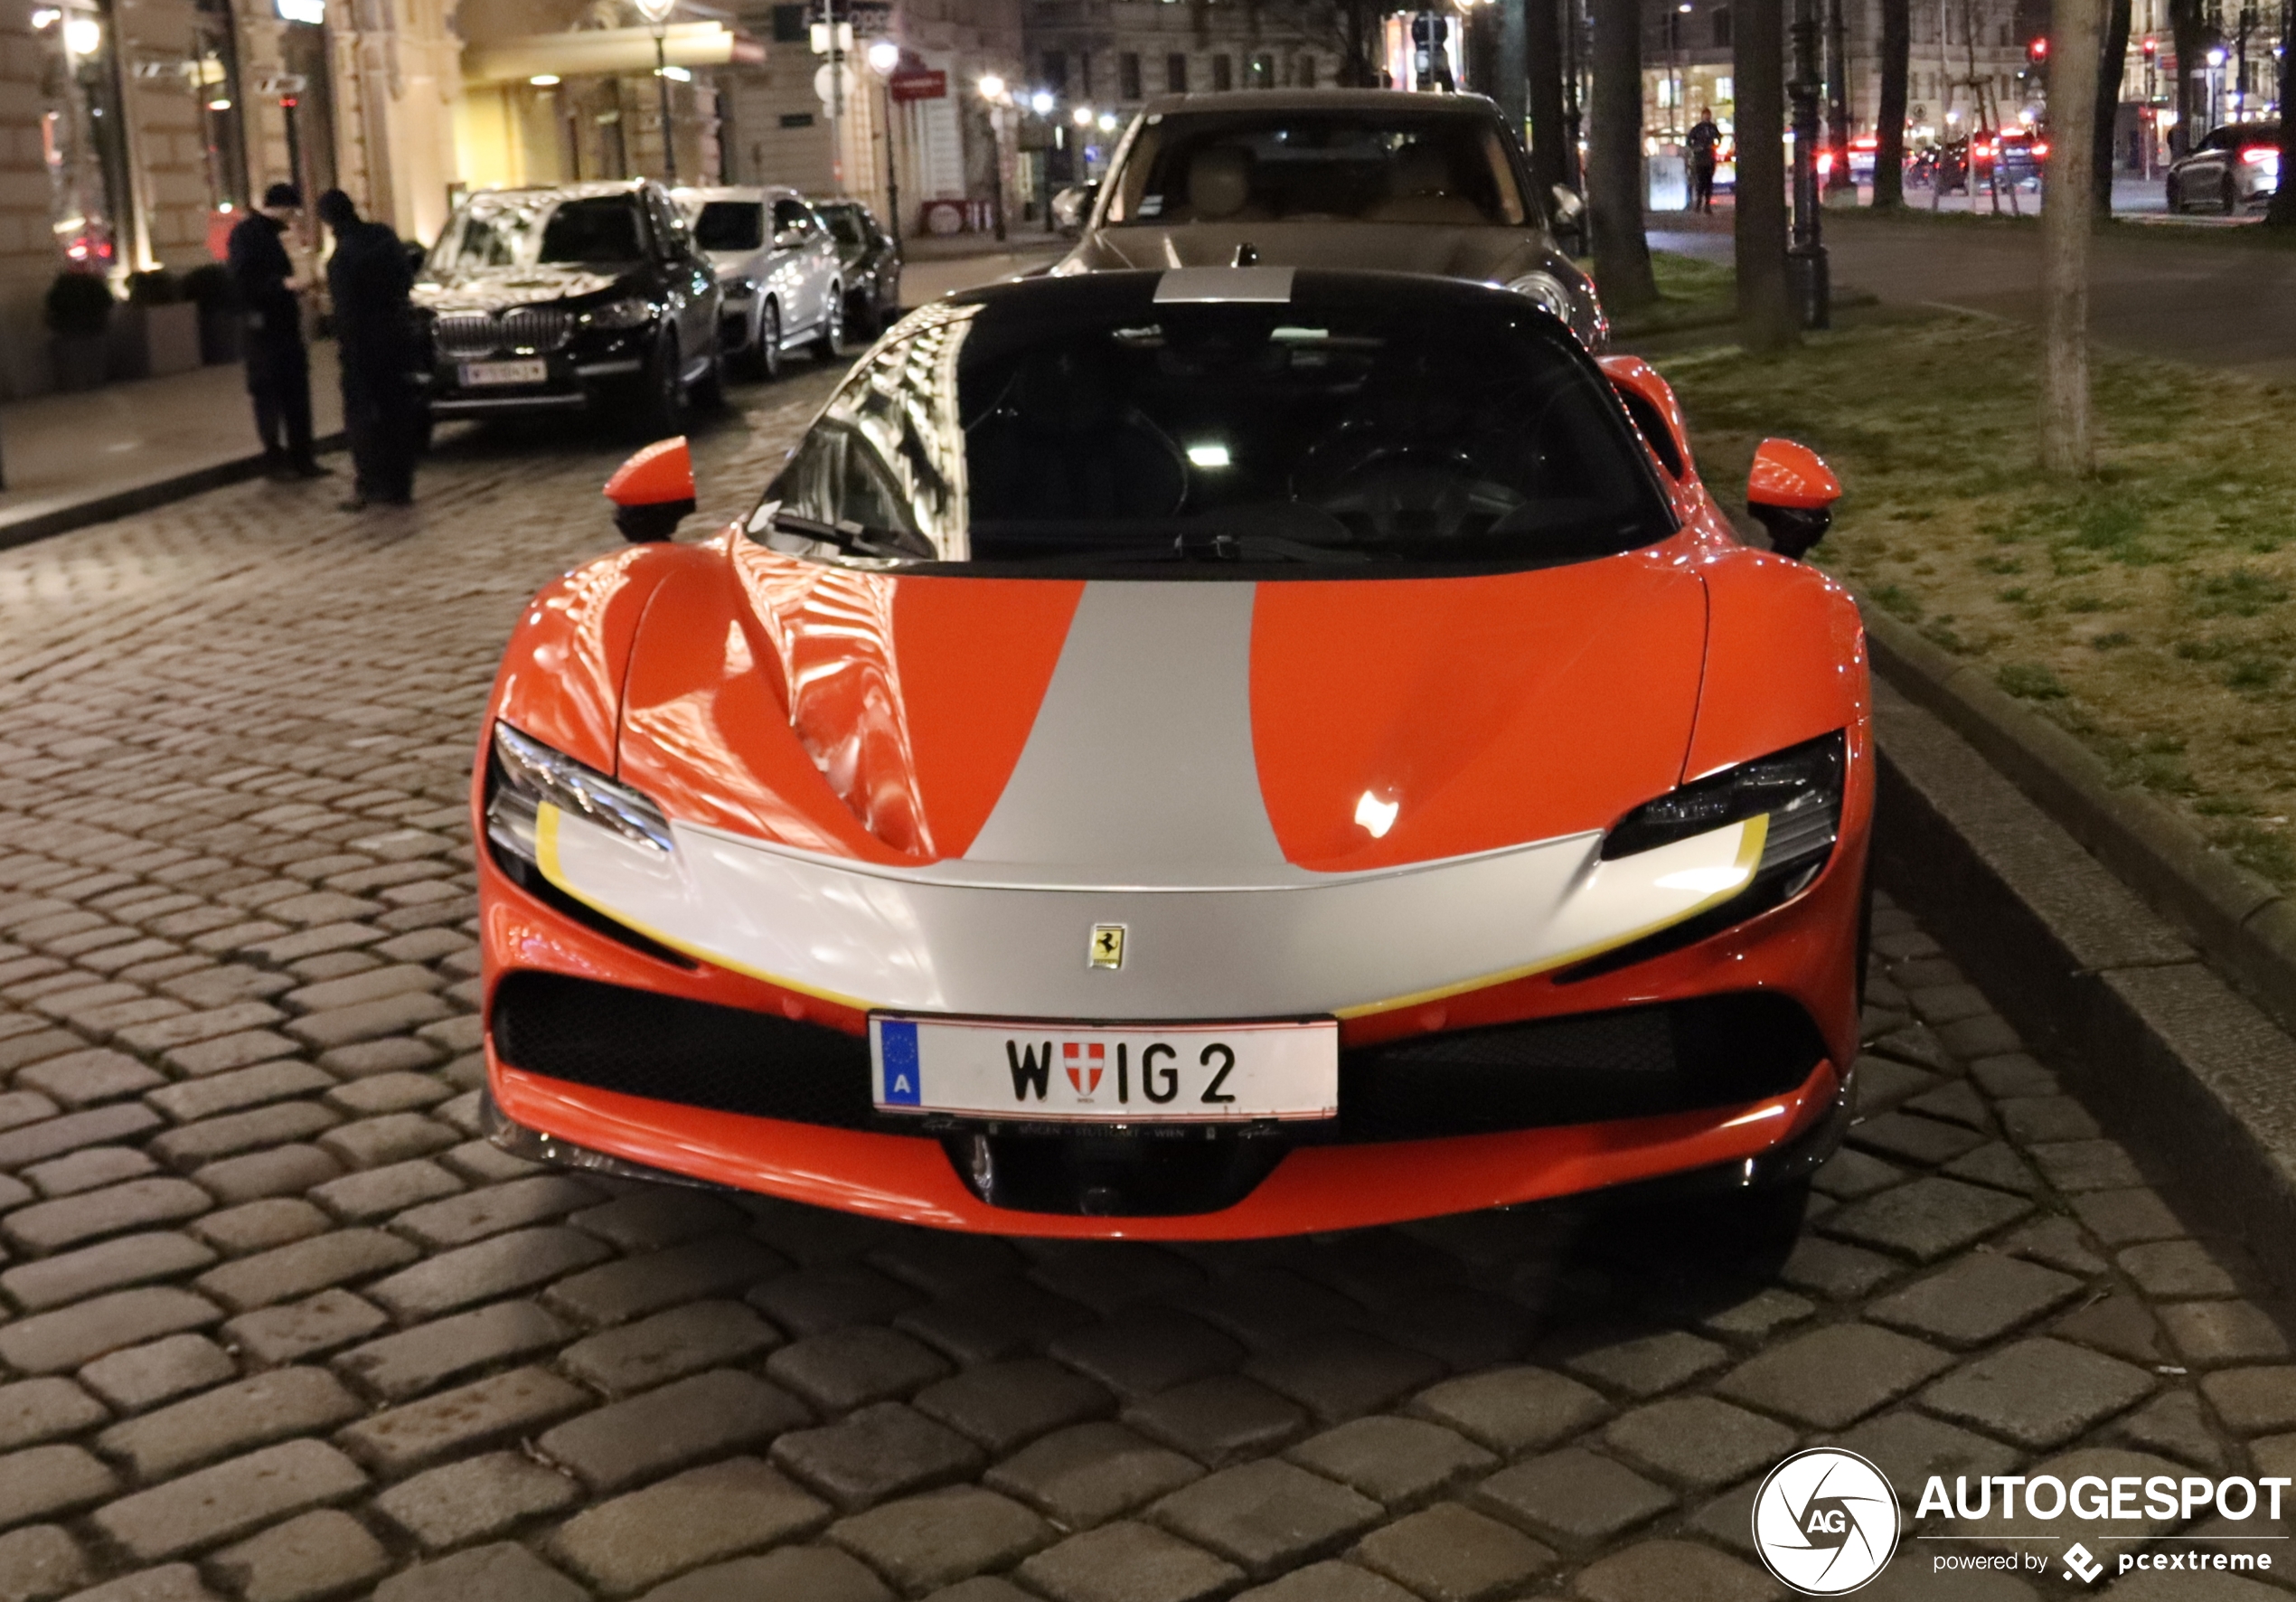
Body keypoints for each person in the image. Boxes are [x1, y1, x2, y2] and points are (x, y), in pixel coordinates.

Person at [315, 189, 419, 511]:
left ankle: (372, 483)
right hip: (397, 336)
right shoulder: (384, 237)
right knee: (397, 410)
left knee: (363, 415)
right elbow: (406, 279)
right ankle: (400, 483)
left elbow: (345, 313)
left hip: (362, 345)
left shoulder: (341, 259)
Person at [227, 183, 325, 480]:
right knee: (268, 392)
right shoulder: (248, 234)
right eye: (291, 211)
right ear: (281, 207)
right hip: (262, 326)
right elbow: (243, 281)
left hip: (287, 322)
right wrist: (282, 285)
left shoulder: (284, 234)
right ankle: (276, 458)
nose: (294, 217)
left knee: (295, 390)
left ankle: (302, 458)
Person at [1687, 108, 1723, 214]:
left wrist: (1715, 146)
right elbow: (1689, 141)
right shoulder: (1697, 129)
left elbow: (1719, 138)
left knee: (1708, 182)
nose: (1707, 117)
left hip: (1709, 157)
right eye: (1705, 115)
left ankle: (1707, 204)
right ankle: (1699, 203)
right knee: (1701, 181)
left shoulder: (1712, 128)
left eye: (1708, 115)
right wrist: (1696, 148)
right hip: (1700, 158)